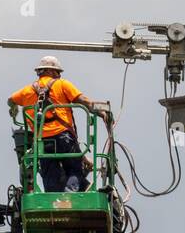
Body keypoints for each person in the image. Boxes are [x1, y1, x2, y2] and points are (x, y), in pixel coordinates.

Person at [8, 55, 111, 194]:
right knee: (75, 169)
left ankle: (54, 199)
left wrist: (13, 109)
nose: (59, 75)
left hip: (41, 141)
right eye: (58, 72)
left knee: (50, 174)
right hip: (63, 136)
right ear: (52, 71)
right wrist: (102, 113)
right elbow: (84, 101)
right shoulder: (62, 84)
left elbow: (11, 99)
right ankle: (70, 195)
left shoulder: (26, 91)